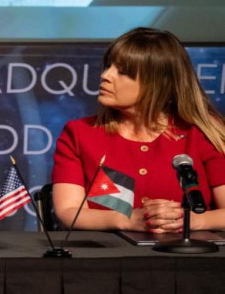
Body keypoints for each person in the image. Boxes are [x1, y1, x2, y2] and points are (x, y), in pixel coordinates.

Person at [52, 27, 225, 232]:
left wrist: (189, 221)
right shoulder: (79, 133)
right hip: (111, 251)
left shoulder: (202, 133)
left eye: (122, 71)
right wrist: (127, 220)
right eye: (108, 66)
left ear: (158, 83)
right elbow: (69, 210)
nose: (105, 75)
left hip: (187, 251)